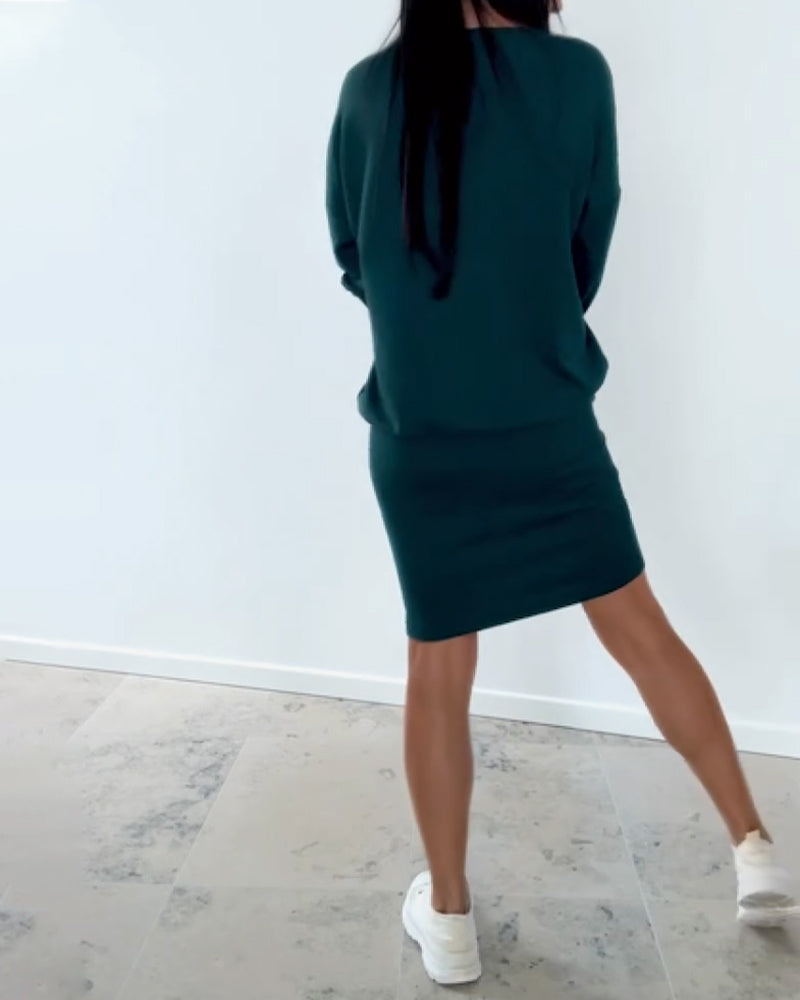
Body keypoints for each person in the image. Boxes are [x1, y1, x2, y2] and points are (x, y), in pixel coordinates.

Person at [325, 0, 797, 986]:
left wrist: (435, 322)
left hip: (422, 434)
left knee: (436, 667)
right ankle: (752, 846)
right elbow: (588, 236)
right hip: (543, 417)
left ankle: (449, 921)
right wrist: (520, 318)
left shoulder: (368, 90)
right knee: (639, 627)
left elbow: (354, 256)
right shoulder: (576, 75)